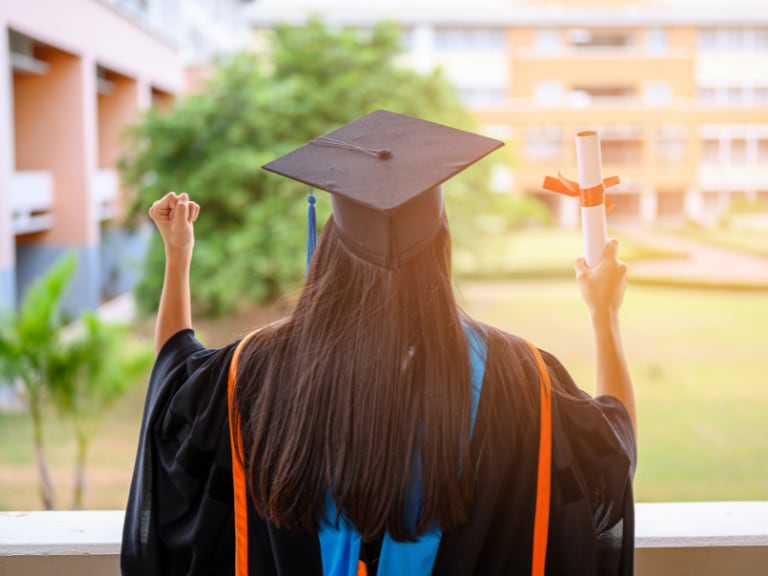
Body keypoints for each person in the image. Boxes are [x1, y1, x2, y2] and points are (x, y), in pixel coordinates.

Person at [121, 110, 636, 576]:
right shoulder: (519, 375)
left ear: (329, 245)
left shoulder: (252, 369)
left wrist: (178, 258)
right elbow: (611, 454)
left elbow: (173, 393)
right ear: (442, 245)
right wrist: (604, 314)